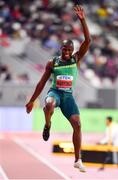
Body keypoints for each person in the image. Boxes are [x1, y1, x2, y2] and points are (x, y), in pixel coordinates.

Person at [25, 5, 91, 172]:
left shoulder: (76, 58)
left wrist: (83, 20)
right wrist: (32, 100)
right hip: (55, 93)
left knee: (77, 124)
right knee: (49, 105)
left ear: (72, 50)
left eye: (70, 49)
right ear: (60, 49)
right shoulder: (52, 62)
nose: (67, 52)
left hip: (68, 96)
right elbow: (41, 83)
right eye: (65, 49)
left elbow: (88, 41)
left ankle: (78, 160)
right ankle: (48, 125)